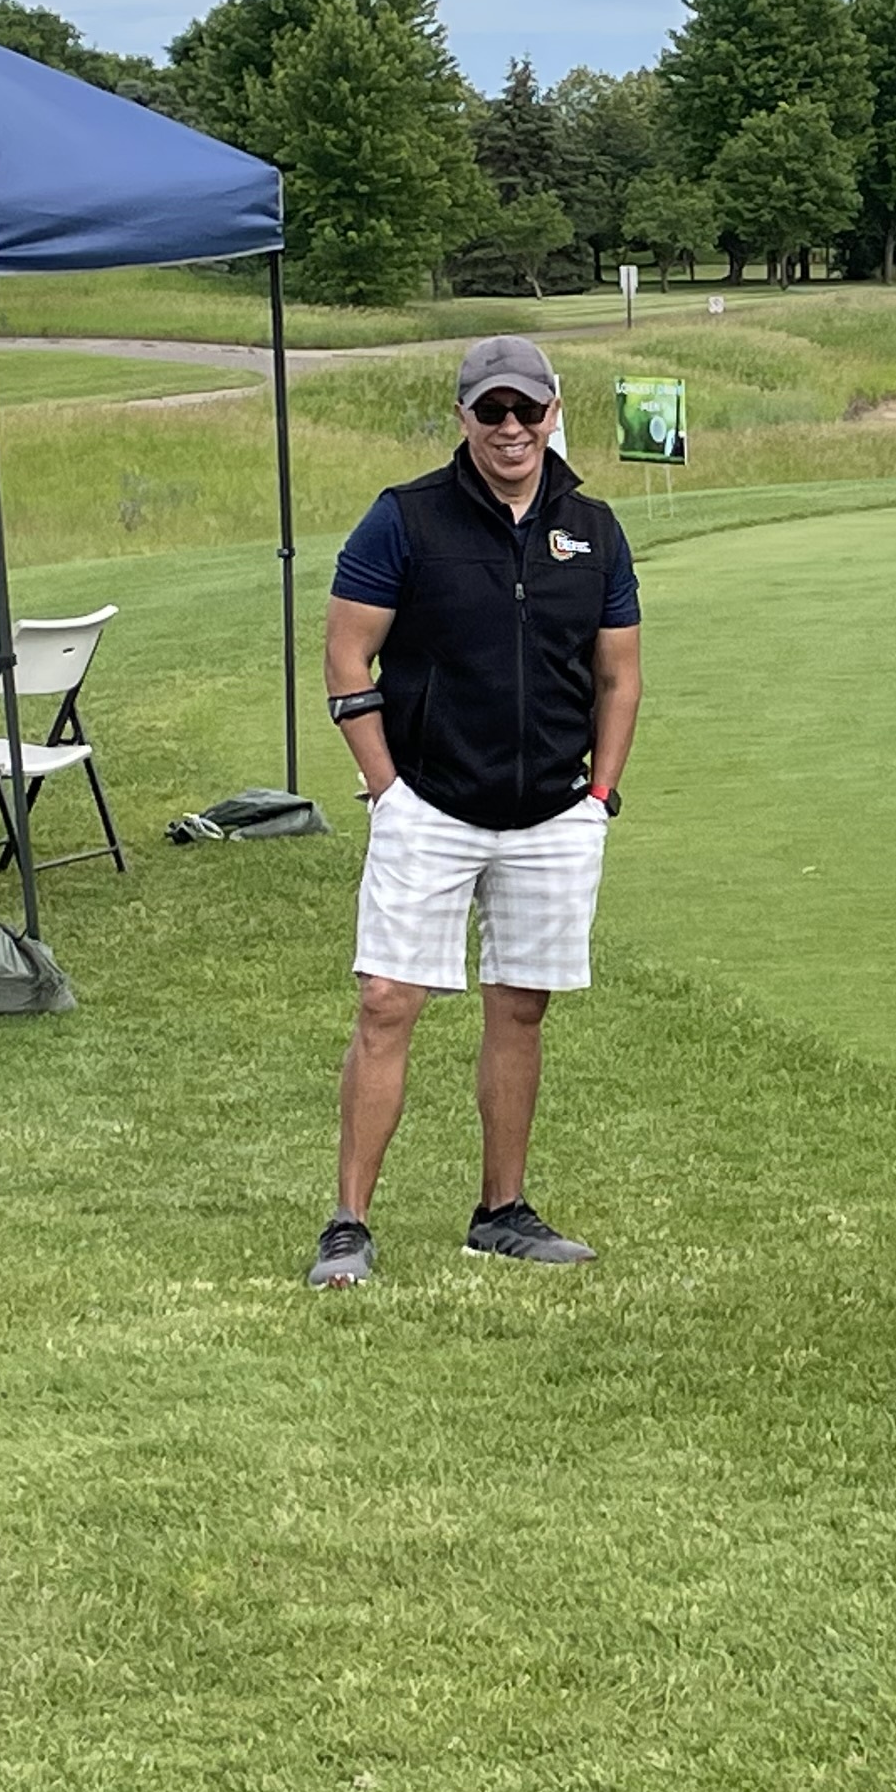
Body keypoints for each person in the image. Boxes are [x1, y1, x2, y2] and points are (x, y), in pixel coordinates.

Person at [310, 334, 643, 1288]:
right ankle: (348, 1224)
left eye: (526, 410)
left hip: (554, 811)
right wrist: (386, 788)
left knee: (521, 1005)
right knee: (388, 1002)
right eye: (490, 411)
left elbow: (619, 675)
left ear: (553, 413)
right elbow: (345, 655)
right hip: (429, 804)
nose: (510, 428)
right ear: (462, 416)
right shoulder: (405, 518)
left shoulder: (594, 528)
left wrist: (601, 794)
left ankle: (501, 1212)